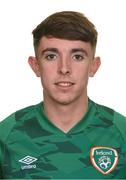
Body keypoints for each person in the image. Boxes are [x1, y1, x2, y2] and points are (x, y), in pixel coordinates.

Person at [0, 11, 126, 179]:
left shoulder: (121, 133)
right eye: (51, 56)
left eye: (77, 56)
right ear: (36, 65)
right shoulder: (6, 135)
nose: (64, 68)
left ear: (93, 66)